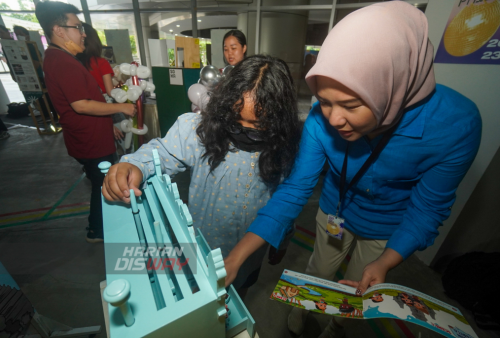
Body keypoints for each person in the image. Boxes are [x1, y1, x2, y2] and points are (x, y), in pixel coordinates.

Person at [221, 2, 482, 337]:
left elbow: (428, 207)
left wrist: (387, 261)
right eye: (325, 101)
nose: (333, 119)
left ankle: (337, 326)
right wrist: (237, 258)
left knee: (360, 287)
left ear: (395, 84)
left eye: (351, 104)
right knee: (319, 270)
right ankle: (299, 318)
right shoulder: (320, 118)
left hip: (385, 226)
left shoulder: (455, 125)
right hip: (334, 211)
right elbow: (296, 188)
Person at [102, 55, 301, 295]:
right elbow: (163, 152)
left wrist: (283, 240)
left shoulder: (285, 149)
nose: (245, 132)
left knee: (238, 299)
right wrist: (134, 166)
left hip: (249, 255)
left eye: (258, 126)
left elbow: (287, 201)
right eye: (237, 120)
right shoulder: (199, 130)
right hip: (199, 249)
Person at [35, 0, 136, 243]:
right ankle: (98, 230)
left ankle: (99, 227)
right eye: (77, 27)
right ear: (59, 30)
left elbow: (85, 100)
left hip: (90, 137)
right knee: (103, 186)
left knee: (100, 183)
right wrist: (121, 107)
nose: (83, 34)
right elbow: (80, 104)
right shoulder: (62, 61)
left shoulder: (62, 59)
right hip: (90, 142)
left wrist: (109, 124)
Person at [76, 22, 124, 140]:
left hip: (89, 106)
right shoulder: (101, 63)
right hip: (106, 105)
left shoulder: (76, 64)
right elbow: (109, 91)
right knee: (123, 137)